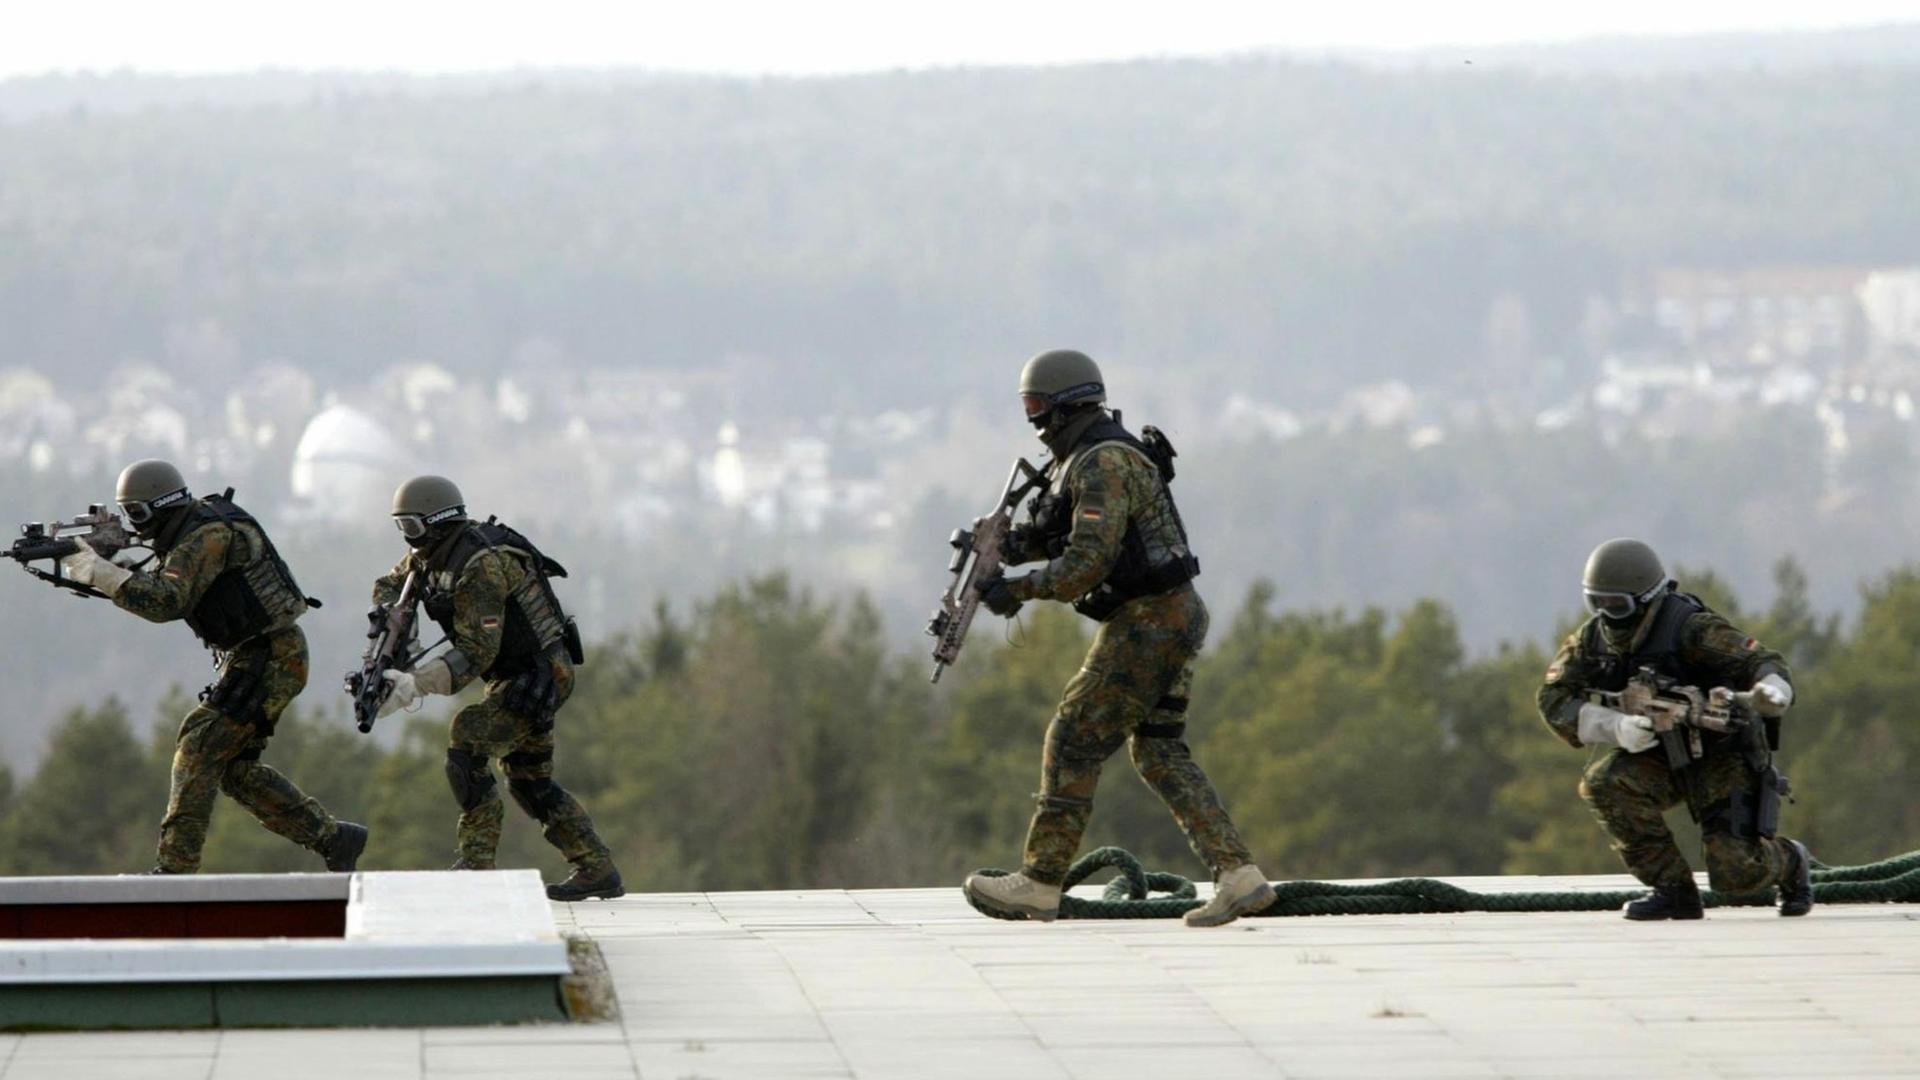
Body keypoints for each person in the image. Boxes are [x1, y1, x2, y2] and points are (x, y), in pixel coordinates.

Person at [960, 349, 1275, 927]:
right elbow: (1066, 533)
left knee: (1074, 737)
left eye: (1035, 405)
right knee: (1157, 749)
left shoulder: (1101, 461)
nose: (1031, 418)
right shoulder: (1086, 457)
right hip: (1171, 613)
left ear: (1062, 405)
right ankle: (1238, 876)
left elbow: (1086, 562)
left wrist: (1019, 591)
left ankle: (1039, 881)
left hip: (1149, 620)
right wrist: (1005, 546)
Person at [55, 459, 366, 874]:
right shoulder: (189, 533)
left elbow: (167, 601)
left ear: (160, 508)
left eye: (137, 514)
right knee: (236, 772)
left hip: (271, 656)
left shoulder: (207, 536)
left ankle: (175, 868)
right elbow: (162, 588)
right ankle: (334, 839)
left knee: (197, 744)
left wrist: (101, 572)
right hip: (258, 656)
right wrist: (110, 567)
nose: (135, 525)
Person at [368, 475, 622, 901]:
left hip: (538, 677)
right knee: (528, 780)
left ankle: (478, 863)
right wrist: (390, 623)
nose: (409, 540)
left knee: (467, 739)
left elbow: (476, 654)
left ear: (439, 522)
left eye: (412, 528)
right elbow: (391, 585)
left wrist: (412, 684)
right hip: (517, 675)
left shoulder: (480, 565)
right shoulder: (432, 556)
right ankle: (596, 867)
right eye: (402, 529)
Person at [1538, 538, 1813, 919]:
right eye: (1596, 602)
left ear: (1647, 598)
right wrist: (1615, 727)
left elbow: (1762, 661)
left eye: (1617, 605)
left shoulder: (1691, 628)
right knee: (1604, 783)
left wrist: (1771, 692)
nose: (1606, 614)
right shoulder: (1592, 639)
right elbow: (1553, 698)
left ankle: (1791, 861)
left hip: (1722, 753)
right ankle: (1673, 889)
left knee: (1735, 873)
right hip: (1657, 751)